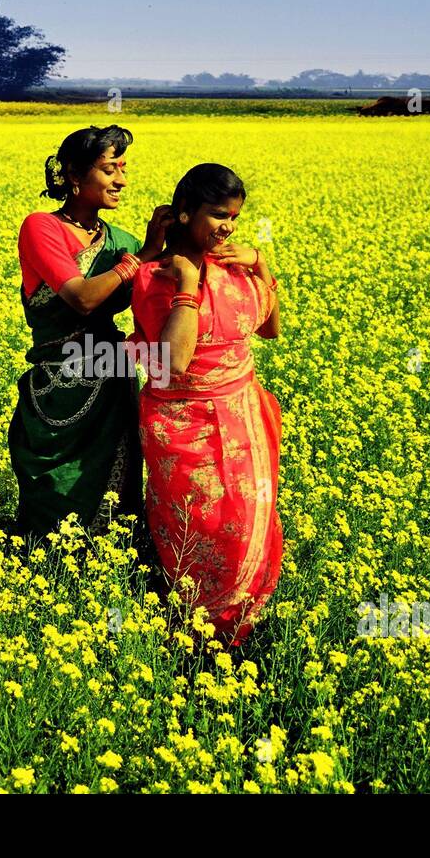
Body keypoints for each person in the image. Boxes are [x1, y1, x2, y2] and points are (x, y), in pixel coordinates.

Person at [129, 163, 283, 647]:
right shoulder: (158, 275)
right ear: (184, 214)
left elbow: (270, 329)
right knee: (203, 529)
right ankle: (197, 639)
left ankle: (241, 634)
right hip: (183, 424)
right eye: (218, 215)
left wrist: (261, 265)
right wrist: (188, 287)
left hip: (244, 418)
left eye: (234, 217)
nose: (227, 227)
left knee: (247, 522)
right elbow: (173, 361)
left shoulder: (236, 269)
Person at [8, 124, 172, 538]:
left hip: (112, 375)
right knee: (58, 486)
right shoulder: (42, 227)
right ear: (75, 177)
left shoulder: (120, 240)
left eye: (124, 168)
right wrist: (142, 257)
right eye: (109, 169)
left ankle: (111, 565)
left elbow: (168, 275)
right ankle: (48, 568)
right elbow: (80, 298)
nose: (121, 179)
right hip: (60, 381)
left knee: (118, 485)